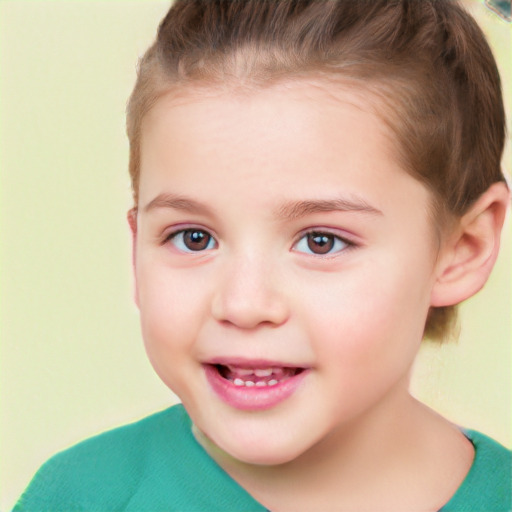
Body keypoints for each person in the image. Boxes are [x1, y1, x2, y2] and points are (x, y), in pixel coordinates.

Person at [13, 1, 511, 510]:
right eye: (193, 238)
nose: (243, 304)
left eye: (322, 241)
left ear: (461, 250)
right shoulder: (83, 496)